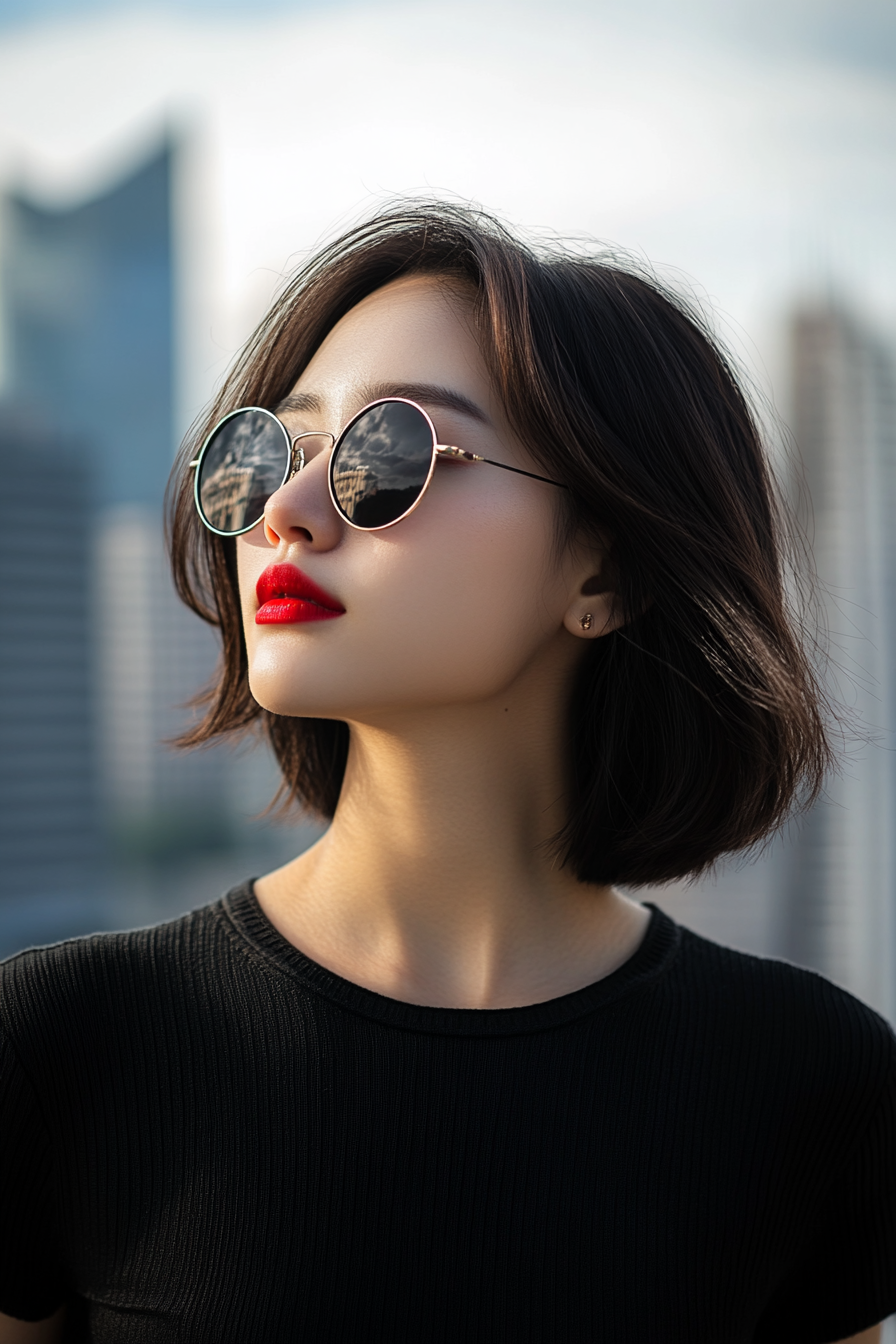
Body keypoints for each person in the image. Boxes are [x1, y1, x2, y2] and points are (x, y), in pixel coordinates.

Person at [1, 204, 894, 1344]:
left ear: (602, 570)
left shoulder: (808, 1085)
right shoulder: (66, 1044)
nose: (283, 514)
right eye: (266, 454)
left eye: (387, 456)